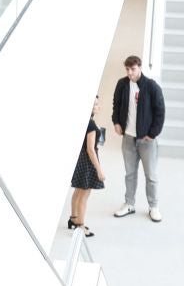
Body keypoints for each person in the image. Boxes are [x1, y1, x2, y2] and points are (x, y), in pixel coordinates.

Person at [110, 55, 165, 222]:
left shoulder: (151, 86)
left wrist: (152, 133)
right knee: (130, 174)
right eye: (127, 69)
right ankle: (129, 203)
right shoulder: (122, 84)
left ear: (140, 67)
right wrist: (116, 122)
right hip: (128, 138)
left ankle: (153, 207)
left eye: (132, 69)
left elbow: (160, 111)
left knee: (151, 175)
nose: (129, 73)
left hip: (147, 140)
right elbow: (116, 104)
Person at [69, 94, 108, 236]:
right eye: (96, 104)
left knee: (78, 192)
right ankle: (80, 226)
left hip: (80, 161)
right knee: (84, 195)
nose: (99, 107)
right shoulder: (90, 125)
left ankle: (73, 219)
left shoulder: (85, 121)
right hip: (88, 162)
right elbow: (90, 149)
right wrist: (99, 170)